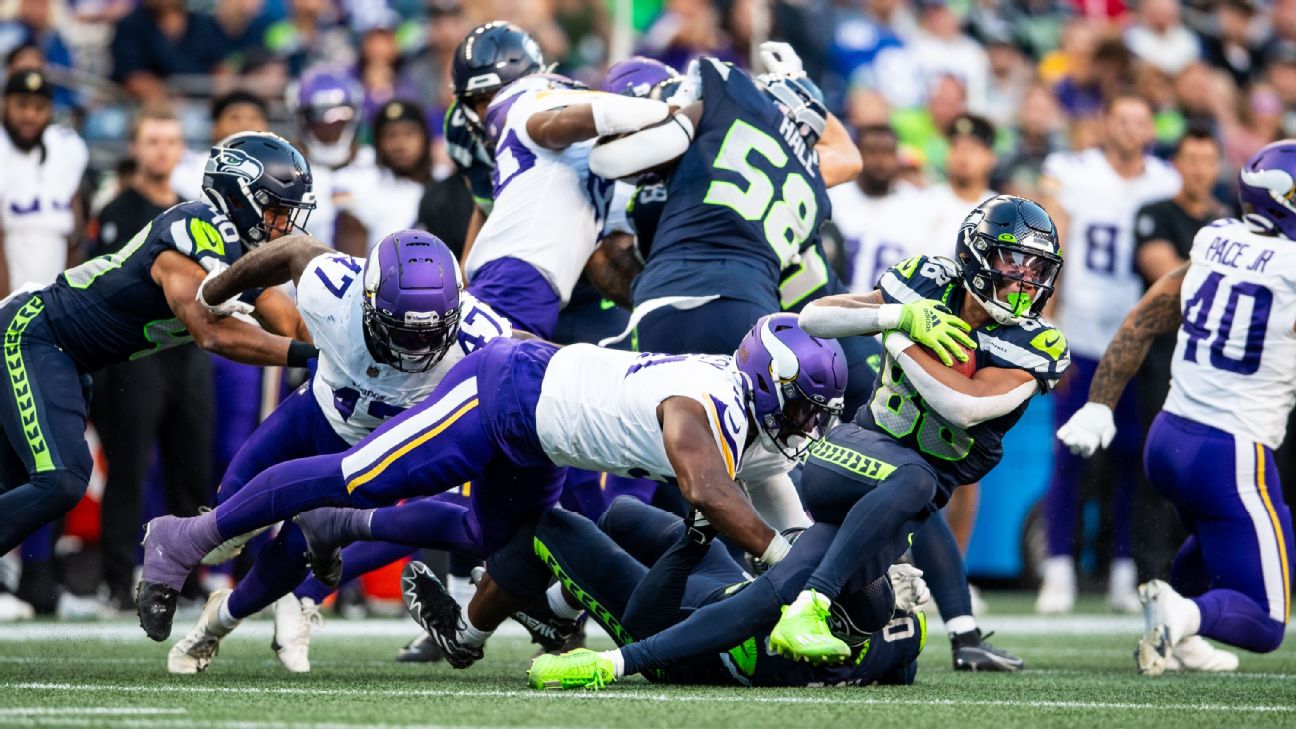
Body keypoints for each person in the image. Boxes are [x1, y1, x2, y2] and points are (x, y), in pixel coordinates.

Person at [133, 314, 846, 650]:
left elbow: (784, 510)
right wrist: (787, 571)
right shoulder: (709, 401)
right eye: (805, 406)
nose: (807, 423)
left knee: (497, 541)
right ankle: (186, 534)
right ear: (767, 384)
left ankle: (367, 554)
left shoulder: (753, 417)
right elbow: (706, 489)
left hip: (545, 437)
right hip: (506, 393)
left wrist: (828, 577)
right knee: (357, 475)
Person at [165, 230, 513, 674]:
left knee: (296, 551)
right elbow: (291, 248)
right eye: (401, 331)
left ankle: (214, 626)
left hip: (370, 455)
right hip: (313, 412)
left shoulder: (481, 336)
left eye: (429, 335)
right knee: (226, 521)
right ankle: (243, 579)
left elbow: (528, 362)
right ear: (367, 302)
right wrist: (214, 292)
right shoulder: (334, 289)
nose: (415, 350)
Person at [766, 195, 1068, 667]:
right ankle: (795, 589)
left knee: (916, 500)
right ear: (974, 255)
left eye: (1036, 268)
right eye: (1013, 261)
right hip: (862, 447)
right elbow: (814, 317)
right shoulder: (927, 282)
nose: (1025, 280)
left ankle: (963, 633)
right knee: (908, 487)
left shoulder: (1037, 342)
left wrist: (901, 339)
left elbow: (963, 406)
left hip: (913, 482)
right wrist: (895, 315)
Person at [0, 131, 318, 559]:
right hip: (33, 334)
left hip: (69, 359)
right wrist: (310, 357)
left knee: (14, 482)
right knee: (61, 479)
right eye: (277, 210)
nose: (284, 225)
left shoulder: (238, 254)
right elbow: (213, 332)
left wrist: (351, 353)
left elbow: (293, 323)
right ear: (241, 197)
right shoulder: (194, 231)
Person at [1056, 140, 1296, 674]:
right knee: (1265, 619)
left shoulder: (1216, 239)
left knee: (1217, 538)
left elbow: (1143, 318)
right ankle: (1182, 614)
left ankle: (1177, 633)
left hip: (1169, 439)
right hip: (1231, 452)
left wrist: (1100, 406)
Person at [409, 497, 927, 689]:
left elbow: (649, 621)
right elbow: (903, 658)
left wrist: (613, 664)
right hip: (722, 595)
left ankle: (464, 636)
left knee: (548, 525)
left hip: (672, 628)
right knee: (622, 516)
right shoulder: (894, 635)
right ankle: (553, 615)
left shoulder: (772, 636)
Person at [593, 50, 861, 356]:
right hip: (757, 304)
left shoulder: (706, 119)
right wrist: (800, 84)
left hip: (666, 294)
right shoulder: (807, 172)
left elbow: (606, 162)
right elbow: (850, 159)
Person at [1036, 94, 1182, 615]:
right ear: (1105, 124)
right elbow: (1054, 241)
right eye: (1121, 118)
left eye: (1140, 118)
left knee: (1132, 459)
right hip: (1081, 332)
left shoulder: (1166, 179)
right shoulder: (1073, 171)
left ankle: (1124, 571)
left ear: (1150, 128)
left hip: (1143, 336)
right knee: (1069, 458)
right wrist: (1048, 325)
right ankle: (1058, 570)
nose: (1130, 128)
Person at [88, 104, 215, 610]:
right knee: (129, 464)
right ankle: (118, 579)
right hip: (135, 353)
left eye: (170, 140)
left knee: (192, 466)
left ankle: (184, 577)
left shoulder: (192, 213)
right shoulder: (117, 211)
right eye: (153, 140)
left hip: (186, 351)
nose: (162, 149)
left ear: (181, 148)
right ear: (136, 149)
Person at [0, 69, 87, 297]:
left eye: (39, 108)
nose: (30, 115)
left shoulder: (66, 150)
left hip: (51, 302)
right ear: (4, 105)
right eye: (21, 105)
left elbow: (74, 236)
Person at [827, 124, 926, 294]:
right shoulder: (834, 197)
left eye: (888, 153)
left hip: (891, 312)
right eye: (872, 152)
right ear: (857, 154)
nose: (881, 161)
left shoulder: (918, 205)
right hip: (834, 302)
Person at [333, 99, 430, 255]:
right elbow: (350, 261)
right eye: (390, 135)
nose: (400, 144)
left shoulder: (447, 182)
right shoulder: (361, 184)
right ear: (378, 142)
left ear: (425, 137)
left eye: (409, 133)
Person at [286, 66, 368, 247]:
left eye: (341, 115)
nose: (329, 126)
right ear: (301, 119)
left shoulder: (375, 163)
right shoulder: (283, 171)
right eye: (317, 116)